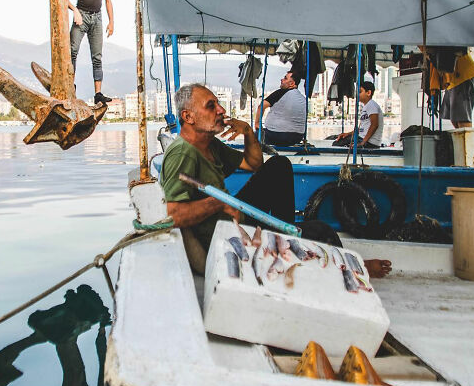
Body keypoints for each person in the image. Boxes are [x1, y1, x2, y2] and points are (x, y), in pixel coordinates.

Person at [160, 83, 391, 278]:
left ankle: (287, 237)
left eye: (218, 104)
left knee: (279, 165)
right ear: (188, 117)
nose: (221, 110)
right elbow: (173, 215)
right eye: (211, 106)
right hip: (227, 236)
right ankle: (348, 270)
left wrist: (249, 133)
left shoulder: (209, 145)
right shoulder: (184, 154)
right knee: (321, 231)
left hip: (233, 216)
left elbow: (253, 164)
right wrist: (217, 203)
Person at [67, 0, 114, 104]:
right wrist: (75, 11)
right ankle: (69, 87)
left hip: (97, 18)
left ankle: (98, 94)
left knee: (97, 57)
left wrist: (111, 21)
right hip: (81, 17)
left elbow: (108, 0)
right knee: (72, 52)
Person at [254, 72, 306, 146]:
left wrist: (257, 123)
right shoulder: (302, 98)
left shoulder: (280, 93)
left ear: (292, 83)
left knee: (256, 135)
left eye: (285, 78)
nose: (281, 80)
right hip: (298, 137)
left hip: (278, 136)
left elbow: (261, 106)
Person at [335, 81, 383, 149]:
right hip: (362, 138)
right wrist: (348, 134)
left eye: (360, 92)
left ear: (368, 93)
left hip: (370, 142)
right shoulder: (366, 106)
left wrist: (362, 143)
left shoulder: (371, 105)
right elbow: (362, 129)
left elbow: (374, 125)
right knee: (339, 140)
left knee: (337, 144)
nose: (357, 94)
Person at [438, 54, 474, 128]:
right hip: (452, 80)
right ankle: (460, 138)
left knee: (462, 118)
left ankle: (466, 139)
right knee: (453, 118)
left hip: (463, 77)